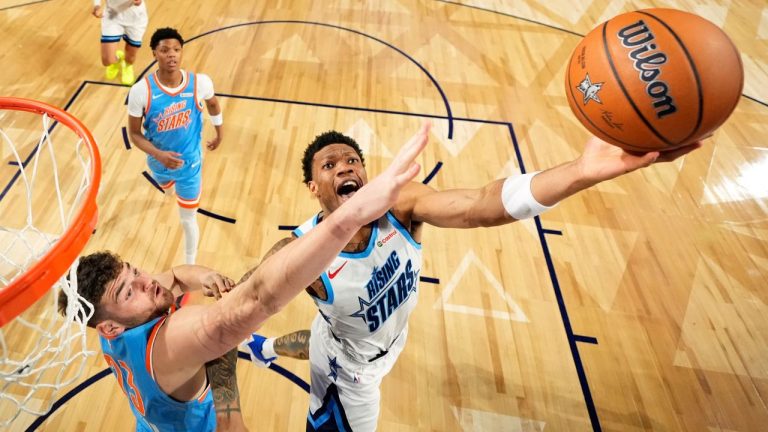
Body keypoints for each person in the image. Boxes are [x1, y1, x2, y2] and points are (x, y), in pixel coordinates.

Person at [241, 128, 702, 431]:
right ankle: (268, 352)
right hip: (352, 379)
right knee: (331, 366)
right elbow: (244, 300)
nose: (345, 166)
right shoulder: (301, 253)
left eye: (352, 160)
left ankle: (264, 349)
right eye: (329, 165)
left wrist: (581, 172)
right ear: (313, 188)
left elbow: (481, 205)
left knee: (320, 337)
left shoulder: (401, 206)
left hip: (371, 339)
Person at [57, 125, 430, 431]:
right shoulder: (172, 341)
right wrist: (347, 219)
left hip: (152, 422)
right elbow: (252, 304)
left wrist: (204, 276)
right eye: (128, 290)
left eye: (134, 272)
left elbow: (172, 276)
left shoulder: (118, 320)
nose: (146, 281)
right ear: (109, 327)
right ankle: (259, 348)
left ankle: (263, 349)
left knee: (318, 340)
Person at [127, 27, 223, 265]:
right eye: (164, 50)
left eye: (177, 49)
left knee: (188, 219)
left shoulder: (200, 82)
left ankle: (189, 264)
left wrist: (220, 131)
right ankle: (169, 187)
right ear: (154, 54)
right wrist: (159, 154)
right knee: (167, 187)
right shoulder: (141, 91)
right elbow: (134, 134)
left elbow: (212, 104)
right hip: (158, 163)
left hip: (190, 166)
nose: (172, 54)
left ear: (182, 52)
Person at [91, 0, 148, 85]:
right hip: (112, 17)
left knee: (131, 58)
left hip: (136, 20)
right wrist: (97, 6)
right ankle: (117, 60)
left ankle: (127, 65)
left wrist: (138, 1)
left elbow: (138, 2)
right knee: (107, 60)